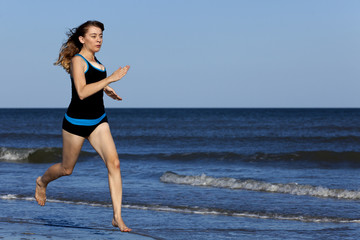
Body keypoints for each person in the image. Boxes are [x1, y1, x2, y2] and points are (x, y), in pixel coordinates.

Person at [34, 20, 131, 232]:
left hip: (98, 121)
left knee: (114, 164)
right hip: (76, 123)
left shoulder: (98, 62)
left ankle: (117, 216)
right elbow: (82, 92)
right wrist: (110, 80)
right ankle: (42, 182)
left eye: (101, 36)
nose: (99, 40)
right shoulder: (78, 61)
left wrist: (107, 89)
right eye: (94, 36)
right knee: (67, 169)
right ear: (82, 39)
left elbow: (94, 84)